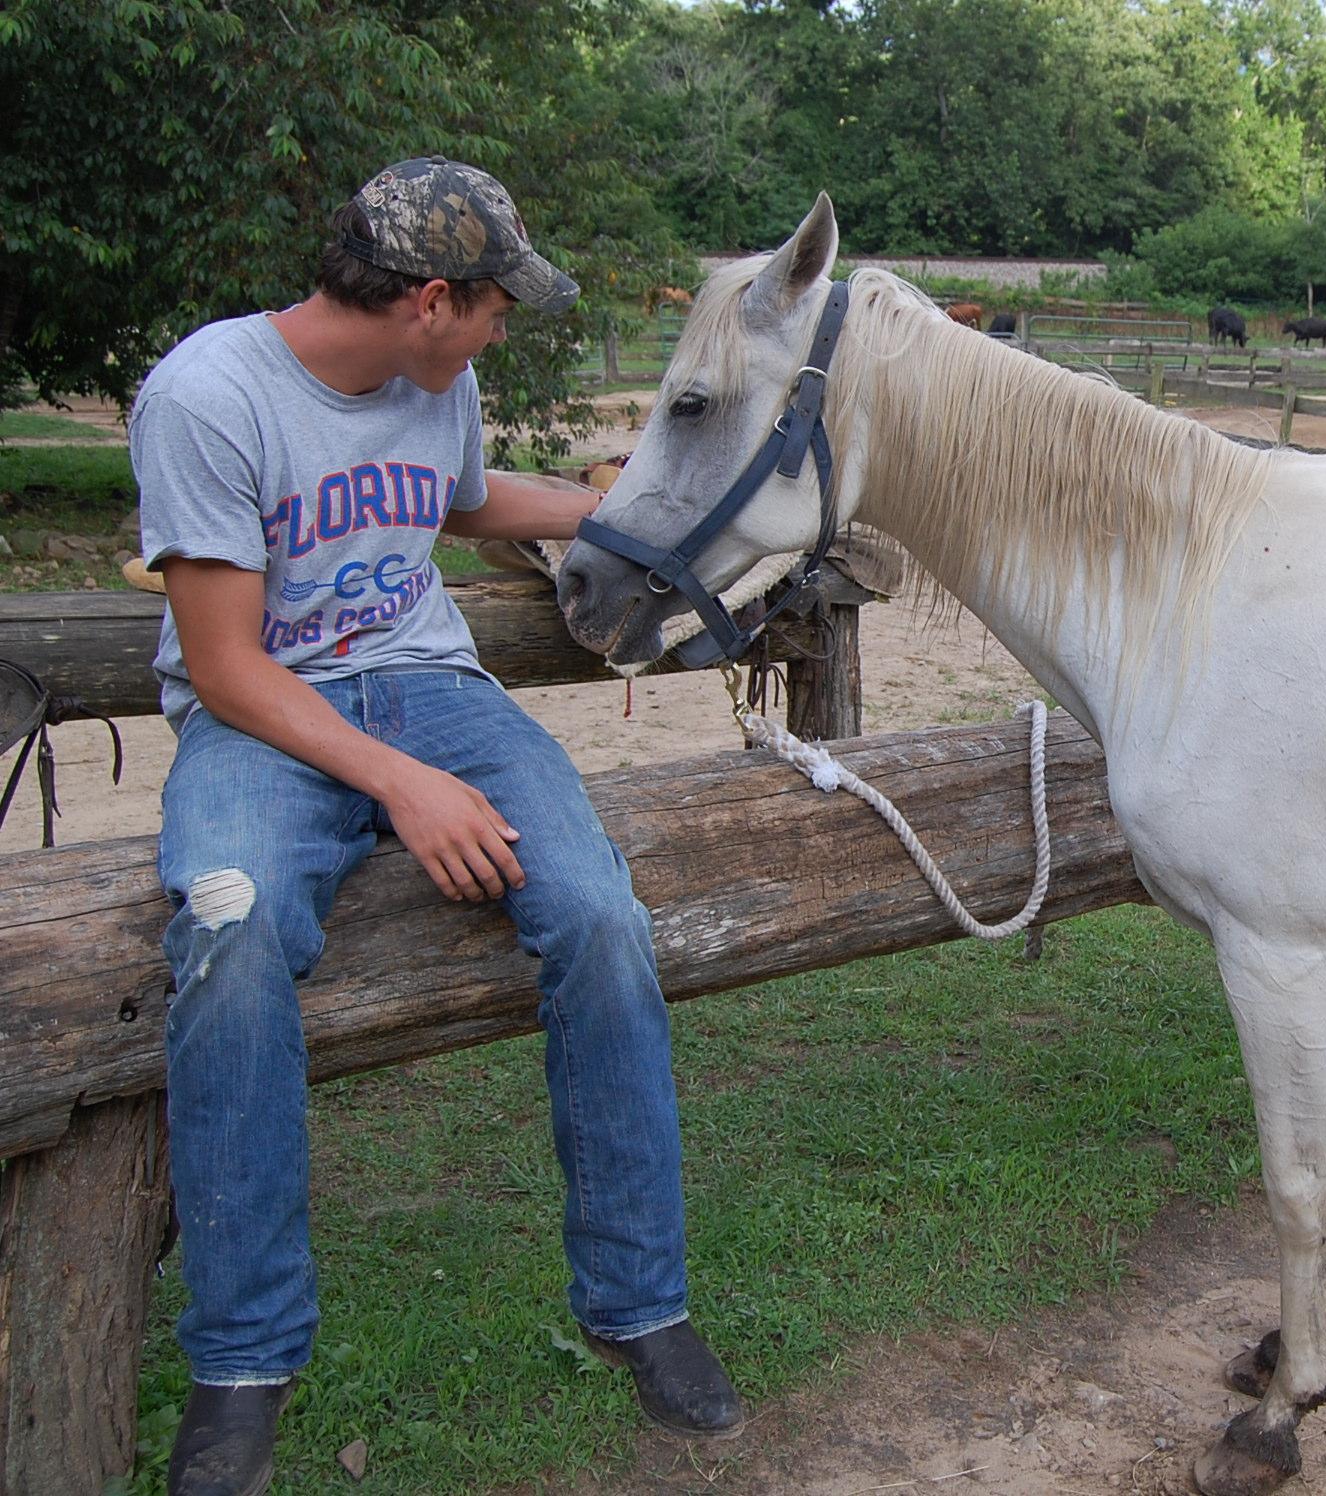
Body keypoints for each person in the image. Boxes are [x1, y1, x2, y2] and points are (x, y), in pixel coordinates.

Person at [131, 157, 745, 1496]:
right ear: (425, 301)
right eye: (492, 306)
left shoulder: (436, 383)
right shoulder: (207, 395)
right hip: (267, 714)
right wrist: (401, 788)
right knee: (228, 937)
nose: (500, 329)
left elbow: (457, 504)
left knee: (598, 914)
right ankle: (243, 1360)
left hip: (433, 691)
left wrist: (626, 513)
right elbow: (228, 667)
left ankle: (639, 1302)